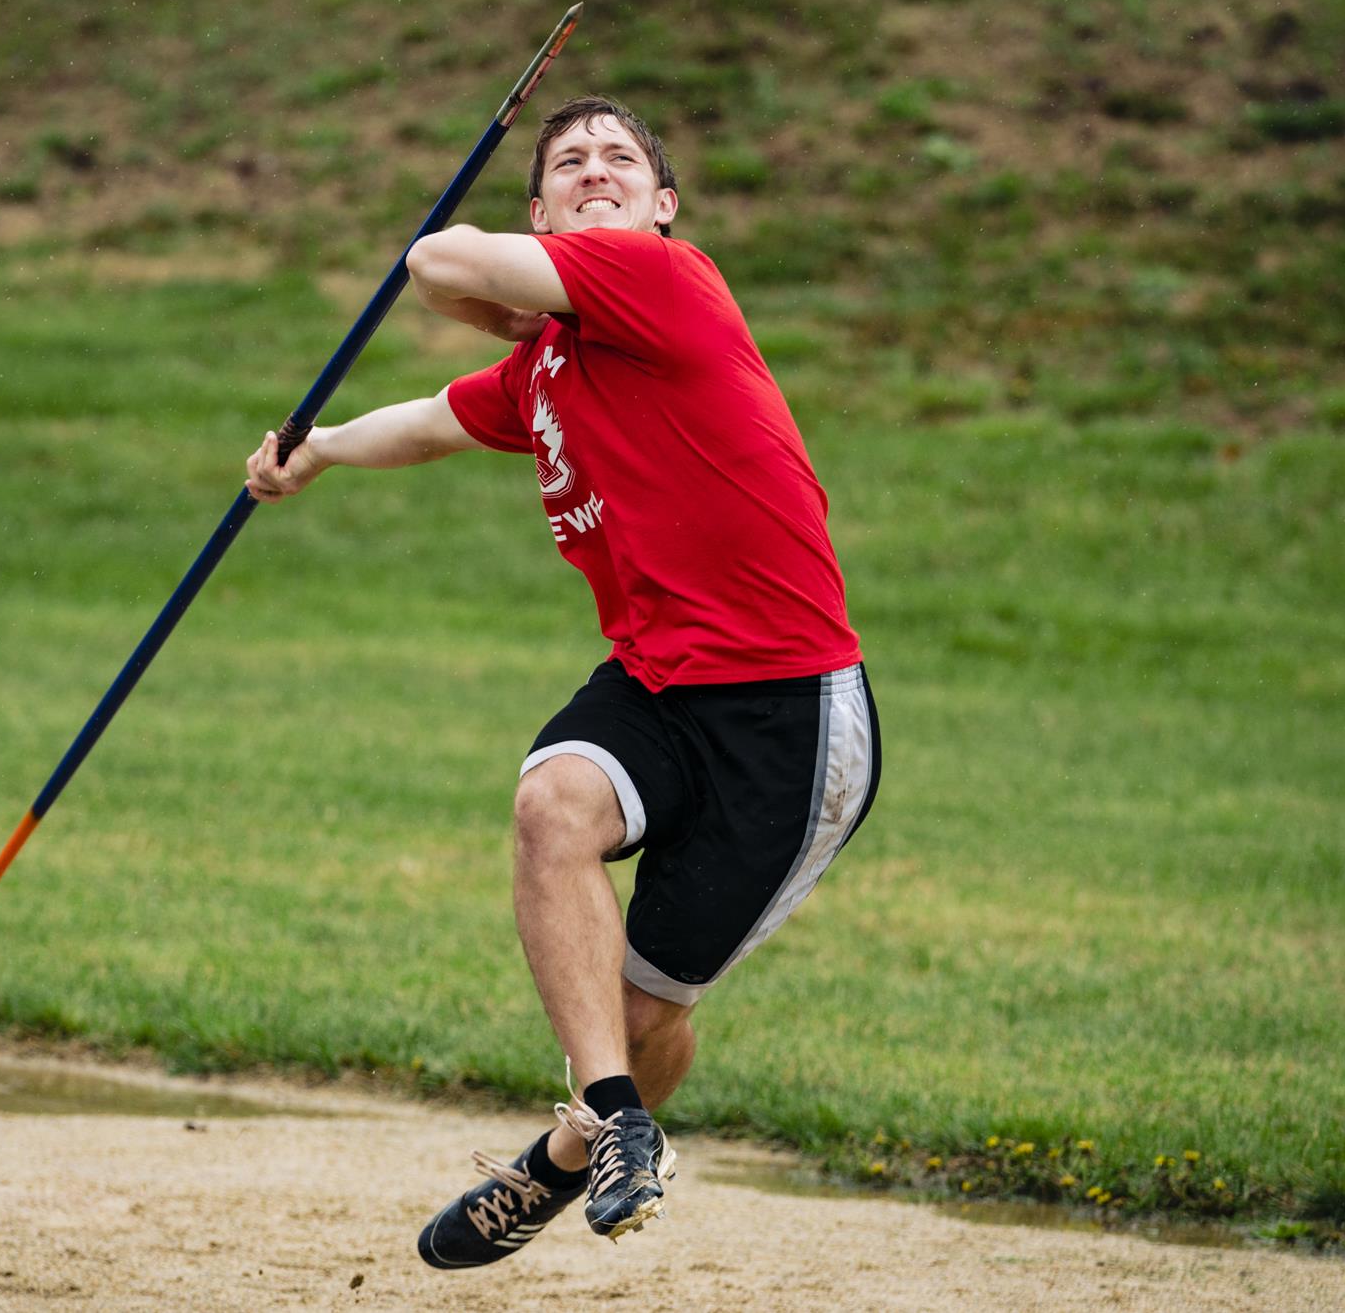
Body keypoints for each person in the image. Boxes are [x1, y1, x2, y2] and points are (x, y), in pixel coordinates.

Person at [245, 95, 880, 1266]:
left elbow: (436, 259)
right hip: (653, 683)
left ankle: (567, 1153)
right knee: (551, 804)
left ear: (660, 205)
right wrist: (319, 449)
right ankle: (617, 1121)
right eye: (569, 162)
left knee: (647, 1018)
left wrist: (482, 281)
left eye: (620, 160)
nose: (596, 170)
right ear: (541, 208)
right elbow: (434, 420)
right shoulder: (548, 361)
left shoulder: (667, 279)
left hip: (786, 713)